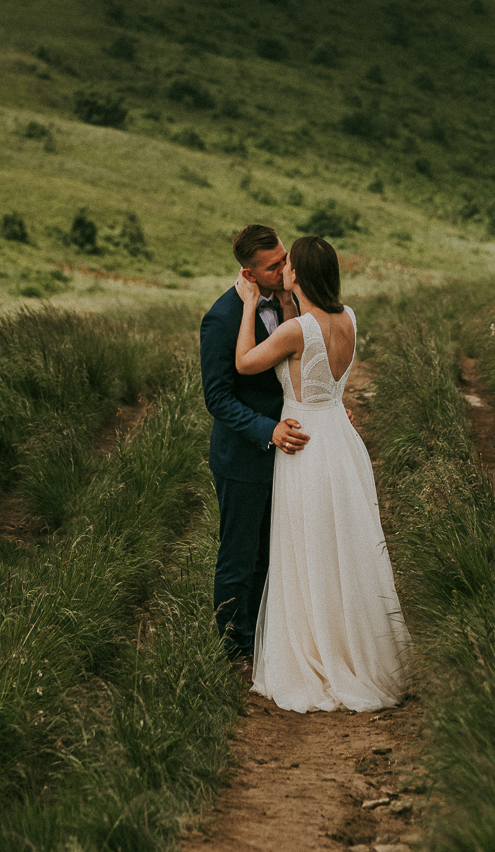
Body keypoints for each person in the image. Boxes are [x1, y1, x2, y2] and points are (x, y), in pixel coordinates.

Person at [233, 235, 407, 712]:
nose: (283, 268)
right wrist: (291, 304)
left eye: (289, 265)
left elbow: (245, 363)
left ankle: (315, 652)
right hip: (339, 437)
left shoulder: (296, 330)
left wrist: (250, 306)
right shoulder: (348, 317)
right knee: (342, 542)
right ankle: (353, 645)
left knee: (307, 544)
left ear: (299, 276)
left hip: (304, 440)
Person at [199, 225, 308, 667]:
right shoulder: (222, 318)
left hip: (286, 454)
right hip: (243, 457)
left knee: (272, 553)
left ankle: (262, 639)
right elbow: (217, 398)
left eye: (284, 258)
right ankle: (232, 649)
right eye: (274, 265)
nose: (284, 268)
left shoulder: (293, 302)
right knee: (238, 557)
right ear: (249, 272)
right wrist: (268, 429)